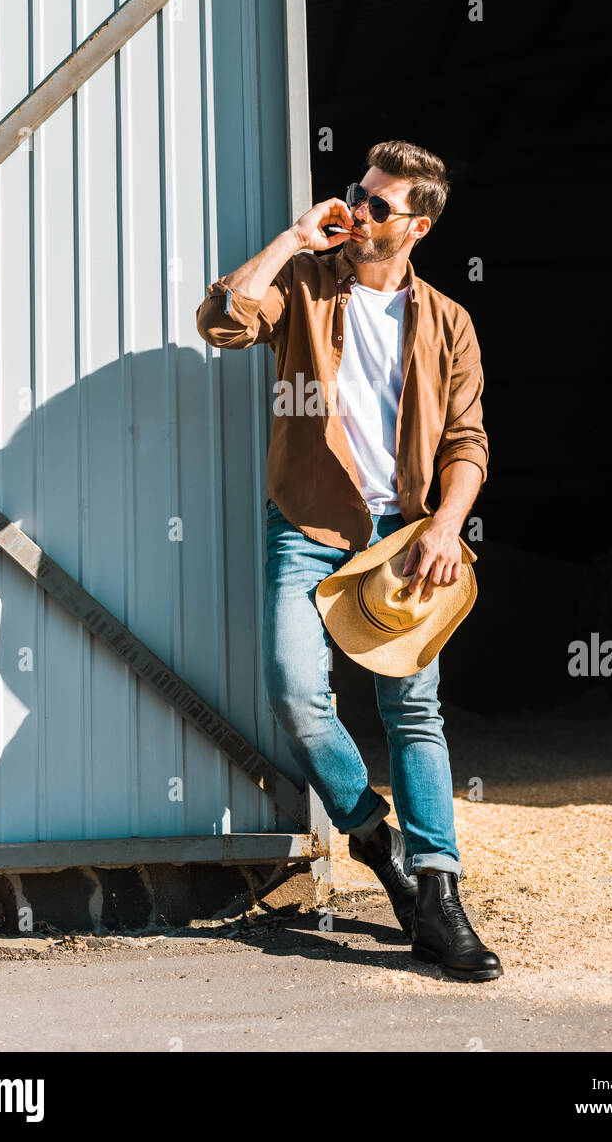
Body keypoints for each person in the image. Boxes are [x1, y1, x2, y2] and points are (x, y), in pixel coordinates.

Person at [196, 139, 501, 981]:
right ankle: (373, 835)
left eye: (376, 205)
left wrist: (446, 525)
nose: (356, 211)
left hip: (404, 540)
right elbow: (220, 320)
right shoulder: (304, 284)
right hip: (306, 526)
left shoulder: (447, 323)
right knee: (296, 694)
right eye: (354, 195)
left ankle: (438, 899)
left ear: (418, 226)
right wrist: (295, 239)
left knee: (414, 711)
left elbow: (467, 442)